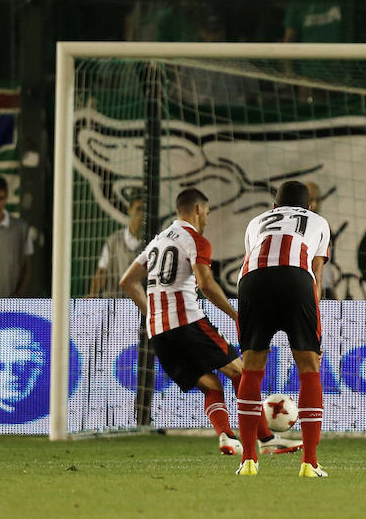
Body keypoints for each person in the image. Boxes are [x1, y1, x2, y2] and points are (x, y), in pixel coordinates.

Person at [119, 188, 299, 457]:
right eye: (208, 213)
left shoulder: (157, 241)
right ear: (199, 210)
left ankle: (227, 436)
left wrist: (152, 313)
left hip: (159, 332)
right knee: (241, 373)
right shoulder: (195, 239)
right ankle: (266, 438)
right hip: (187, 323)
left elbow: (128, 281)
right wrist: (237, 315)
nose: (207, 220)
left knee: (211, 385)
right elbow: (206, 284)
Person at [234, 180, 331, 477]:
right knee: (308, 366)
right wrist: (317, 325)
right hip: (295, 279)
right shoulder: (319, 222)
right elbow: (316, 273)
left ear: (274, 206)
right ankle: (309, 463)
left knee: (251, 368)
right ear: (310, 206)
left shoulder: (256, 222)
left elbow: (254, 258)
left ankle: (249, 460)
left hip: (252, 281)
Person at [88, 194, 145, 298]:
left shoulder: (153, 244)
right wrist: (93, 294)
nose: (142, 215)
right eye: (138, 209)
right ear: (129, 210)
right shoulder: (113, 241)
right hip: (112, 305)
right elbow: (101, 271)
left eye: (145, 210)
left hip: (139, 308)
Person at [0, 175, 33, 297]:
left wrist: (16, 299)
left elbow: (26, 266)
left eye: (1, 199)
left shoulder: (21, 228)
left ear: (6, 199)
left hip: (8, 306)